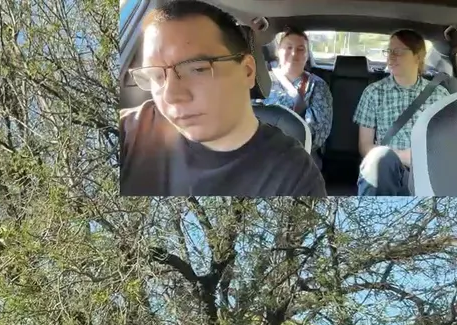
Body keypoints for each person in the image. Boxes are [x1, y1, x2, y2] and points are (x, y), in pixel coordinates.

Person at [119, 0, 326, 197]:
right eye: (156, 76)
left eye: (197, 69)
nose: (170, 96)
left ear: (247, 71)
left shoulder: (294, 176)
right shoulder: (130, 132)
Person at [353, 29, 449, 196]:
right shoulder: (373, 92)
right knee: (378, 158)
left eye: (398, 52)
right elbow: (365, 146)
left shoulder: (440, 95)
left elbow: (448, 143)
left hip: (428, 173)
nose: (390, 57)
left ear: (418, 56)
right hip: (387, 170)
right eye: (389, 51)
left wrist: (422, 159)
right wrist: (401, 156)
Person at [266, 27, 333, 168]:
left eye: (301, 49)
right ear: (278, 51)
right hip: (261, 151)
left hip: (300, 154)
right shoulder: (262, 81)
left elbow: (319, 132)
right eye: (288, 47)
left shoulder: (317, 86)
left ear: (307, 55)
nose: (294, 53)